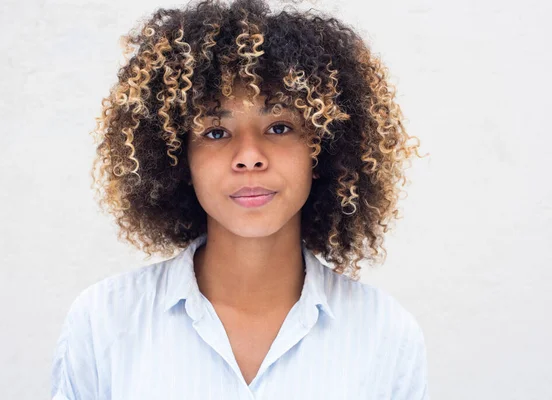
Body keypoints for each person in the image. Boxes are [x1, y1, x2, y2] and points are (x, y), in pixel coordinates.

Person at [51, 0, 429, 398]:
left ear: (323, 150)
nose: (249, 157)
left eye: (279, 127)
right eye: (216, 132)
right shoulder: (103, 323)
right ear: (179, 159)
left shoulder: (386, 335)